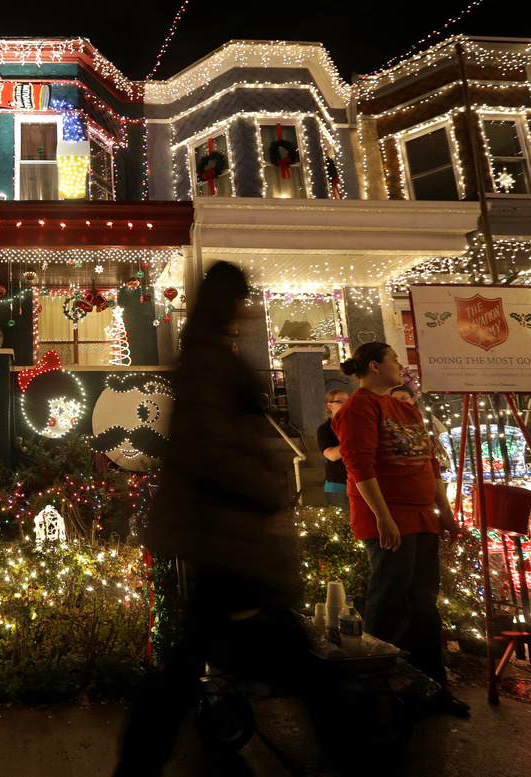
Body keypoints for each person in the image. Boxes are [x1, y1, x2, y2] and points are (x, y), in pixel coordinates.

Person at [113, 262, 315, 776]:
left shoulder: (204, 356)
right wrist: (266, 491)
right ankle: (356, 749)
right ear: (228, 303)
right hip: (225, 529)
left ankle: (139, 759)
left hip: (218, 530)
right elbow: (214, 450)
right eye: (242, 300)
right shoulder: (207, 362)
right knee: (291, 654)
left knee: (190, 656)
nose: (247, 311)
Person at [333, 343, 470, 717]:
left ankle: (430, 684)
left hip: (423, 516)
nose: (401, 365)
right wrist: (383, 516)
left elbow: (431, 464)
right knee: (390, 601)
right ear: (375, 366)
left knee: (424, 603)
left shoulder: (407, 408)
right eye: (395, 359)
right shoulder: (358, 406)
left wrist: (445, 511)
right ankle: (382, 689)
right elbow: (358, 464)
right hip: (389, 518)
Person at [317, 390, 350, 509]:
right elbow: (331, 455)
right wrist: (353, 442)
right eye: (341, 401)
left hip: (360, 480)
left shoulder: (354, 424)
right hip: (339, 481)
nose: (345, 404)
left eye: (347, 401)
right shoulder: (325, 429)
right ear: (329, 405)